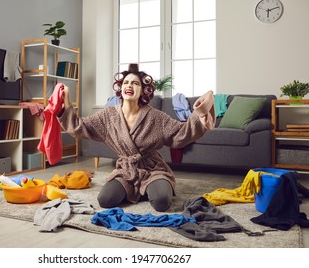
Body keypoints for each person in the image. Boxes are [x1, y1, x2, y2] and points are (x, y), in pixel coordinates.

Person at [58, 63, 215, 212]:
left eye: (135, 83)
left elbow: (180, 133)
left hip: (153, 169)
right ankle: (139, 190)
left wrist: (199, 115)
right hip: (126, 170)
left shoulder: (155, 117)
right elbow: (79, 126)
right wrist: (66, 101)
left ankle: (150, 187)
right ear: (121, 88)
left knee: (161, 202)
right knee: (105, 200)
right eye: (126, 82)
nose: (129, 86)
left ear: (143, 90)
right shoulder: (108, 116)